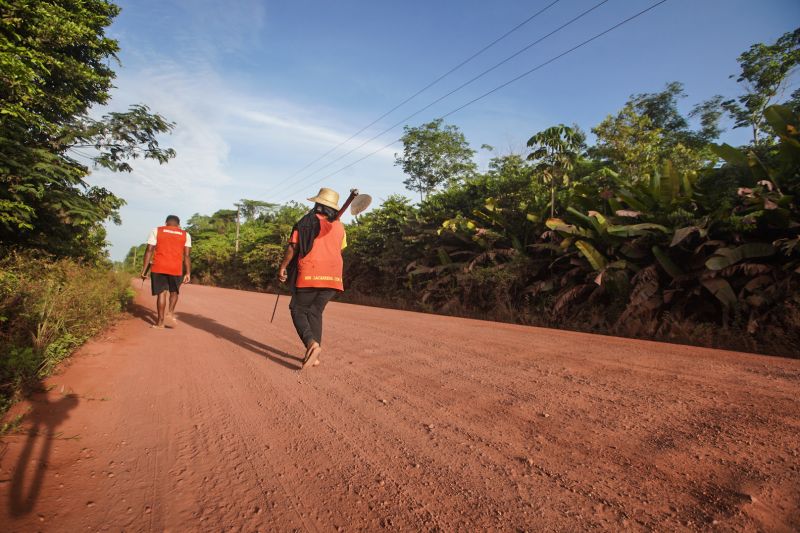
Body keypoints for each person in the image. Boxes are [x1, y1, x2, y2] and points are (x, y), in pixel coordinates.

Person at [278, 187, 346, 369]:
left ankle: (311, 343)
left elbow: (293, 248)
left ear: (317, 204)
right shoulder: (340, 226)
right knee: (315, 313)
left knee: (297, 309)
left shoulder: (304, 223)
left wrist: (283, 267)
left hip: (310, 273)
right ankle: (314, 357)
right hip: (333, 277)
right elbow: (340, 248)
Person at [140, 215, 192, 329]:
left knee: (162, 293)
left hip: (159, 267)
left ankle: (160, 323)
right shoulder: (185, 234)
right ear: (178, 225)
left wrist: (144, 270)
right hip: (176, 268)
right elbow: (187, 255)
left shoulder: (157, 231)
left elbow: (149, 250)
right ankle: (170, 313)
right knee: (174, 292)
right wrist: (188, 273)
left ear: (165, 223)